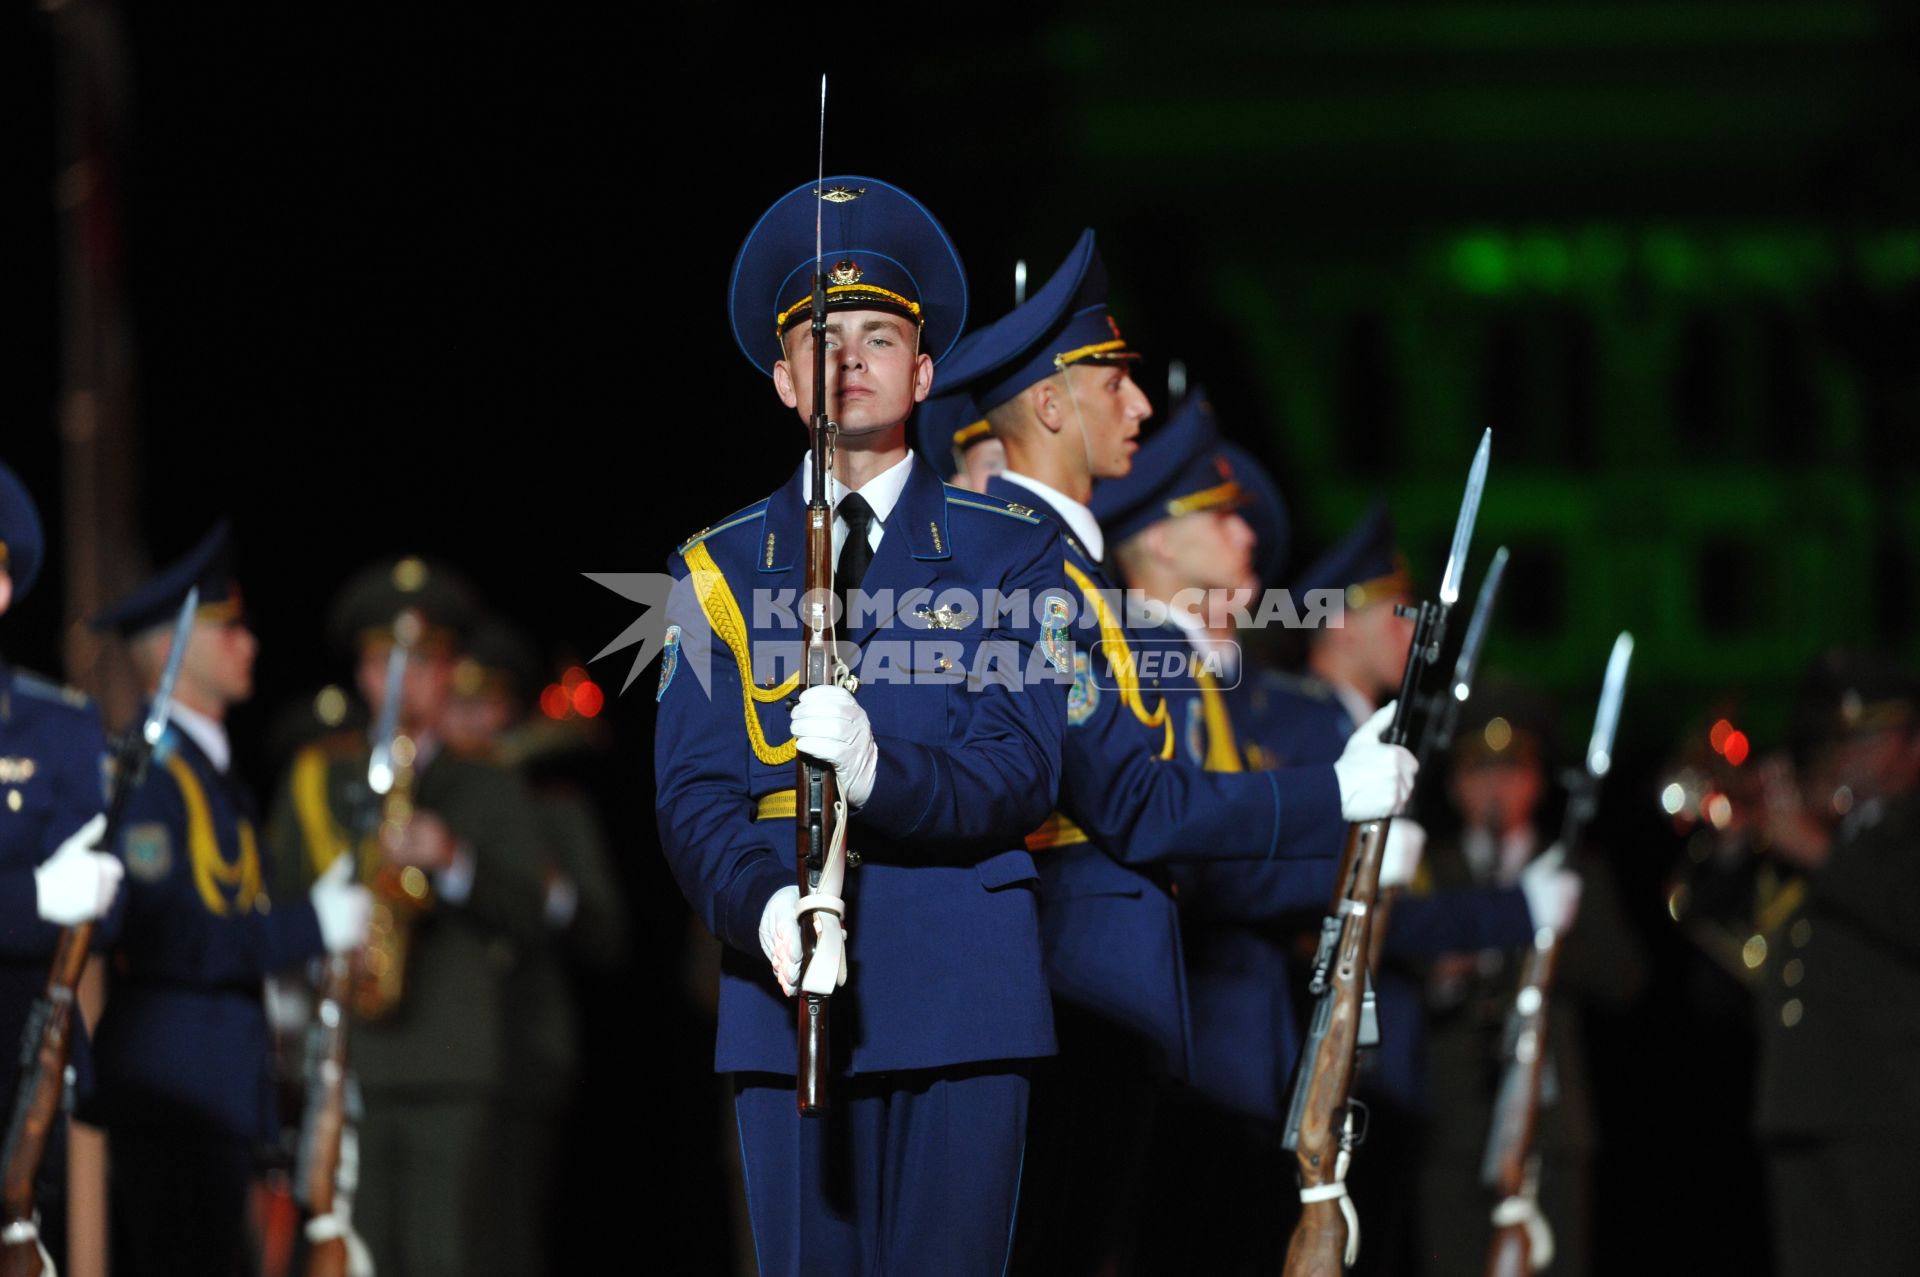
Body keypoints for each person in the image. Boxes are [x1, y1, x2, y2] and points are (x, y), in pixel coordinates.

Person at [937, 240, 1415, 1275]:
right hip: (1073, 996)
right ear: (1055, 410)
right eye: (1115, 382)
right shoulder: (1035, 574)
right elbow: (1138, 804)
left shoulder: (1062, 574)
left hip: (1107, 1003)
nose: (1140, 406)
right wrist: (1330, 796)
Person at [656, 174, 1072, 1277]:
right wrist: (764, 905)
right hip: (784, 989)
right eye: (822, 340)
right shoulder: (711, 569)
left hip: (964, 990)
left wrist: (884, 773)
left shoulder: (1008, 549)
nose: (847, 358)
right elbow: (693, 794)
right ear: (786, 378)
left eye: (878, 335)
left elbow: (1024, 763)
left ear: (923, 371)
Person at [86, 520, 370, 1277]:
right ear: (171, 647)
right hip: (175, 1084)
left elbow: (229, 918)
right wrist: (310, 925)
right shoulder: (153, 776)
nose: (250, 643)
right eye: (229, 626)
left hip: (213, 1083)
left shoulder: (211, 776)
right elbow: (167, 934)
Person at [264, 557, 547, 1277]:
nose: (401, 677)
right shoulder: (322, 775)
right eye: (384, 659)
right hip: (349, 1056)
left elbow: (537, 912)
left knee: (444, 1253)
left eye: (421, 660)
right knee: (357, 1256)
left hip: (452, 1061)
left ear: (450, 670)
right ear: (361, 673)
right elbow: (277, 896)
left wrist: (454, 859)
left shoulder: (486, 778)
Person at [1412, 680, 1642, 1277]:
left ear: (1537, 782)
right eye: (1479, 773)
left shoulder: (1570, 868)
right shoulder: (1428, 868)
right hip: (1452, 1126)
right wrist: (1441, 971)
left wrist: (1541, 937)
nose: (1495, 788)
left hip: (1553, 1127)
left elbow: (1624, 979)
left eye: (1511, 772)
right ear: (1455, 783)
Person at [440, 619, 628, 1277]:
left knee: (506, 1236)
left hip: (524, 1050)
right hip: (436, 1046)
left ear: (509, 707)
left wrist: (551, 893)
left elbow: (608, 935)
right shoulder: (433, 799)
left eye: (483, 703)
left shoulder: (551, 805)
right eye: (455, 703)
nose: (469, 720)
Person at [1753, 648, 1920, 1276]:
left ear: (1914, 743)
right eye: (1840, 739)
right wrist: (1732, 856)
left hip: (1889, 1113)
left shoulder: (1889, 836)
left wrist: (1819, 853)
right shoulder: (1830, 830)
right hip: (1798, 1099)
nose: (1847, 754)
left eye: (1867, 736)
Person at [0, 460, 120, 1269]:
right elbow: (56, 894)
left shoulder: (59, 727)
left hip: (20, 1055)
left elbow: (104, 904)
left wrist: (74, 896)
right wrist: (34, 895)